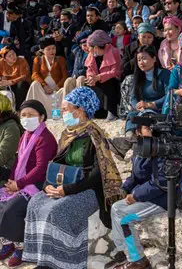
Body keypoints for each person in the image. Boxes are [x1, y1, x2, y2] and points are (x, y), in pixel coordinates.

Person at [23, 87, 123, 268]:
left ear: (80, 110)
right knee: (35, 203)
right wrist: (47, 185)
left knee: (58, 210)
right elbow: (56, 164)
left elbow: (96, 174)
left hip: (88, 190)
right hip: (65, 185)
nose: (62, 113)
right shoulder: (68, 133)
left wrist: (67, 190)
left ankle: (66, 262)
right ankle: (44, 260)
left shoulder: (94, 135)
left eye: (65, 109)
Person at [104, 117, 168, 269]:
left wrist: (136, 195)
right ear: (138, 132)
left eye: (154, 127)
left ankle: (138, 259)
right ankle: (123, 253)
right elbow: (134, 176)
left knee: (124, 217)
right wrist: (124, 190)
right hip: (145, 196)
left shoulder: (163, 148)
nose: (152, 131)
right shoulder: (140, 148)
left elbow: (160, 183)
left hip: (160, 199)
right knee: (115, 207)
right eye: (148, 128)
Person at [0, 100, 57, 268]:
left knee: (12, 210)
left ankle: (21, 246)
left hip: (37, 184)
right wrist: (11, 181)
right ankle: (7, 242)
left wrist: (19, 184)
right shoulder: (26, 135)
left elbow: (41, 168)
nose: (26, 118)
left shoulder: (45, 138)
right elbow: (18, 161)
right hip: (22, 181)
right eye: (23, 115)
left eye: (31, 115)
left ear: (42, 117)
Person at [125, 45, 171, 134]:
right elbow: (133, 98)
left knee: (146, 122)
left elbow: (169, 95)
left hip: (160, 109)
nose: (141, 62)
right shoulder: (138, 76)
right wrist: (138, 107)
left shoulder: (165, 74)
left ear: (154, 59)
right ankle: (129, 138)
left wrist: (151, 104)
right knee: (132, 116)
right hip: (143, 109)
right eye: (139, 60)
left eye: (144, 58)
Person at [84, 30, 123, 120]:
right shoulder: (91, 54)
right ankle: (93, 112)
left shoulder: (113, 51)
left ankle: (111, 112)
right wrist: (90, 77)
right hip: (97, 80)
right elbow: (89, 69)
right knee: (87, 84)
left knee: (109, 83)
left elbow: (116, 72)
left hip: (112, 80)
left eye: (91, 48)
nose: (89, 50)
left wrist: (100, 77)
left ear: (96, 47)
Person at [26, 38, 68, 117]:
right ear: (43, 51)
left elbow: (65, 76)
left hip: (57, 89)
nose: (52, 51)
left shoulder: (60, 59)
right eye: (48, 49)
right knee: (34, 84)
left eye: (53, 48)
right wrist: (44, 85)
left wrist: (57, 87)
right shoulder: (38, 60)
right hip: (44, 88)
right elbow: (34, 74)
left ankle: (58, 115)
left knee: (64, 90)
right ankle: (34, 112)